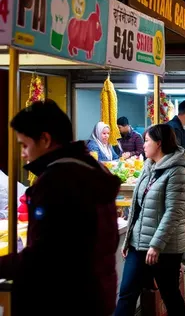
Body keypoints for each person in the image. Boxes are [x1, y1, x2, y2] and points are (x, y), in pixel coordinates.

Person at [0, 100, 119, 315]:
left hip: (62, 299)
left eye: (25, 145)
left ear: (45, 139)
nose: (23, 154)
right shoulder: (91, 169)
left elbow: (45, 256)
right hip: (93, 294)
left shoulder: (58, 181)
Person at [116, 124, 185, 316]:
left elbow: (174, 212)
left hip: (165, 247)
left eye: (147, 141)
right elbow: (137, 206)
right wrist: (128, 240)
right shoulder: (148, 166)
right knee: (126, 294)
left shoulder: (178, 171)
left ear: (159, 143)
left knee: (170, 295)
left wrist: (156, 245)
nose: (144, 145)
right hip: (138, 244)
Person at [164, 100, 185, 275]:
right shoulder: (172, 129)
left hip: (181, 178)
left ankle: (177, 261)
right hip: (175, 180)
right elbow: (175, 155)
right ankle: (175, 262)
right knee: (176, 221)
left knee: (180, 221)